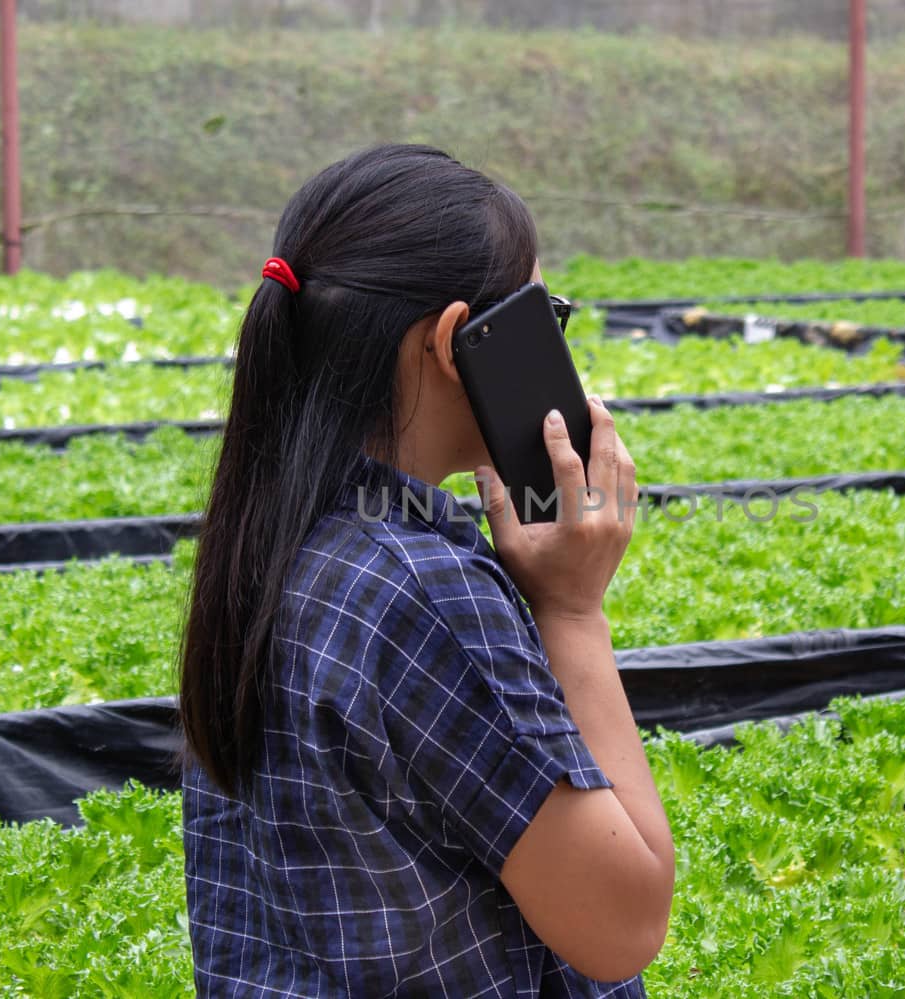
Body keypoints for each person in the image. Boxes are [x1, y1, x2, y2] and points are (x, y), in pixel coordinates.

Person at [177, 144, 675, 998]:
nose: (556, 349)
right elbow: (626, 921)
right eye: (542, 315)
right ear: (456, 341)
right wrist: (572, 609)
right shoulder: (425, 593)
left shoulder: (268, 540)